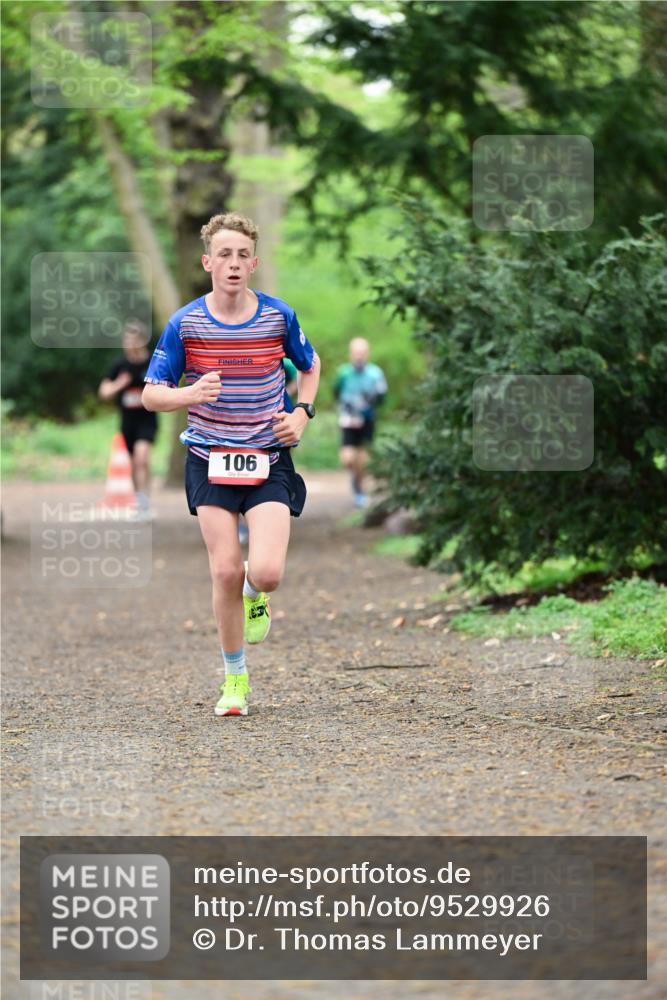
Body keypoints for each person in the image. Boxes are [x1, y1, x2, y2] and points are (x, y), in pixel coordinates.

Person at [142, 212, 320, 718]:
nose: (234, 263)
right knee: (223, 570)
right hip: (208, 457)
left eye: (243, 255)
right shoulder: (186, 323)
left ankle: (254, 594)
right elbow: (151, 395)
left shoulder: (277, 317)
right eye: (224, 254)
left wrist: (302, 415)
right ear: (207, 262)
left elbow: (311, 366)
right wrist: (189, 393)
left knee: (264, 573)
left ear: (255, 263)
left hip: (268, 456)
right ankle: (235, 678)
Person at [98, 320, 157, 519]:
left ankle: (145, 503)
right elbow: (104, 392)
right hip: (127, 421)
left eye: (133, 340)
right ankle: (139, 500)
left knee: (142, 457)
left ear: (142, 341)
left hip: (147, 419)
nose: (129, 344)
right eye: (127, 340)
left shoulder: (152, 363)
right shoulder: (120, 365)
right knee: (132, 463)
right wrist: (118, 384)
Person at [333, 337, 387, 507]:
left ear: (367, 353)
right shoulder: (343, 372)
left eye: (362, 353)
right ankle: (355, 481)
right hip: (348, 419)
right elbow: (336, 392)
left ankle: (360, 488)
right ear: (351, 353)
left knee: (363, 458)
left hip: (367, 419)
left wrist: (373, 399)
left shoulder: (375, 373)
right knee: (348, 458)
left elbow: (382, 397)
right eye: (356, 352)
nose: (359, 356)